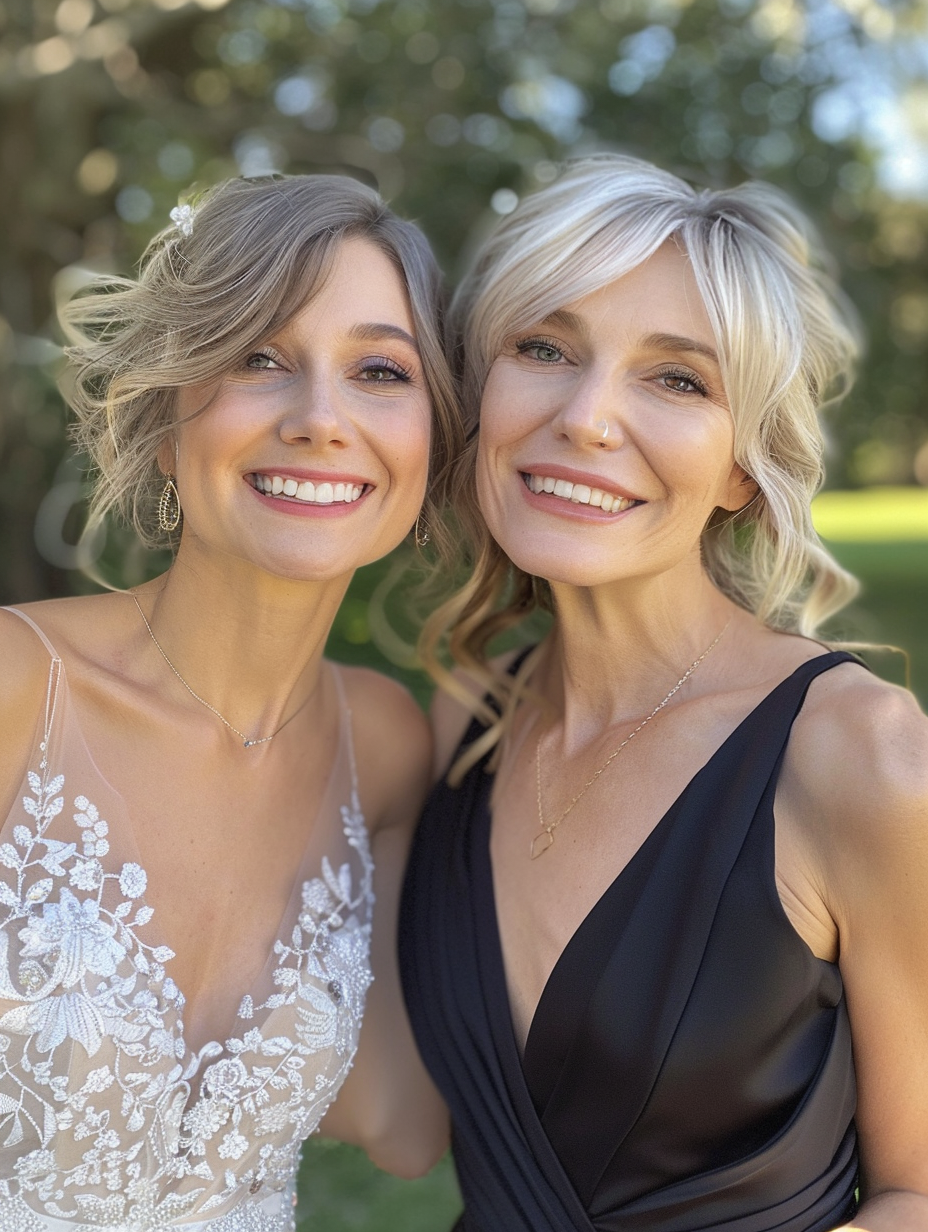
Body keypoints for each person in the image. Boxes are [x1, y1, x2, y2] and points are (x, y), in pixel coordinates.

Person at [400, 154, 928, 1232]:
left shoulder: (854, 754)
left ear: (741, 466)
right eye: (543, 348)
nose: (587, 417)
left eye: (676, 378)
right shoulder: (465, 727)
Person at [0, 174, 455, 1228]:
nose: (320, 419)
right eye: (259, 357)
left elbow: (397, 1120)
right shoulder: (21, 690)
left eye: (379, 371)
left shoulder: (382, 744)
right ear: (166, 415)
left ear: (433, 448)